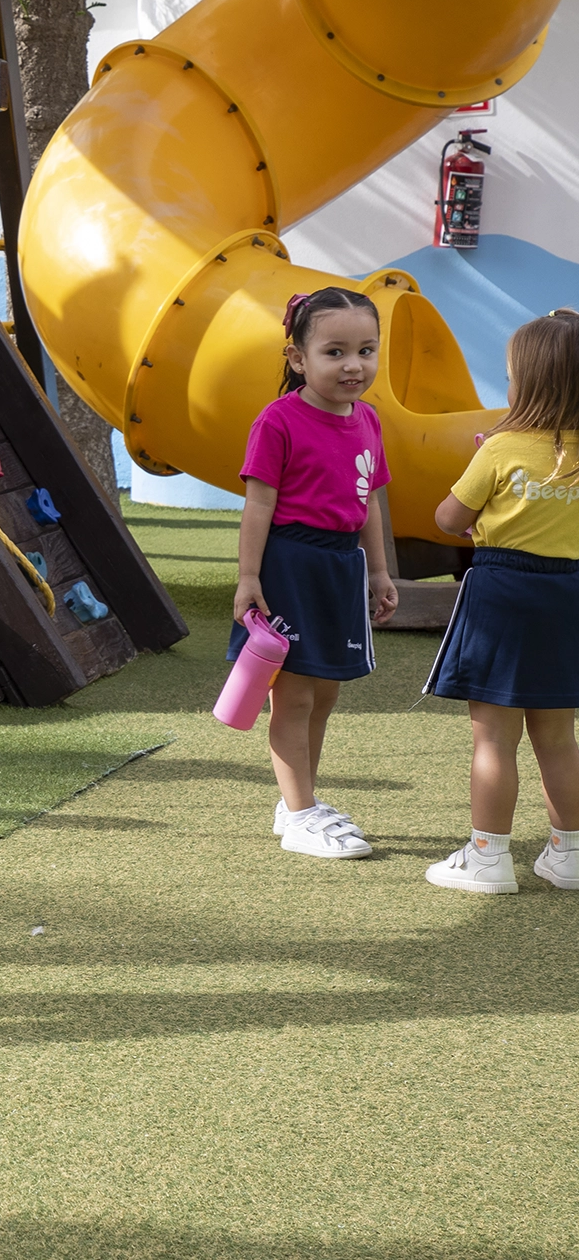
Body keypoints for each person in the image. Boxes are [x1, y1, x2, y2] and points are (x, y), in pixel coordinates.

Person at [231, 287, 398, 859]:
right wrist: (248, 578)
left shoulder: (369, 420)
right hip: (291, 565)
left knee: (324, 694)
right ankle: (302, 815)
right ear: (298, 358)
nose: (354, 365)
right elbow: (258, 505)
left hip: (341, 567)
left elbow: (370, 500)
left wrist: (377, 571)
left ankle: (296, 801)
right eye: (335, 352)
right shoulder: (277, 421)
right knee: (294, 698)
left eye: (366, 350)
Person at [424, 309, 579, 894]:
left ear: (526, 383)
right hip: (569, 595)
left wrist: (492, 476)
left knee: (494, 738)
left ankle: (488, 858)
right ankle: (570, 857)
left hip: (503, 596)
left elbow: (447, 519)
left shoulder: (500, 447)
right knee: (559, 737)